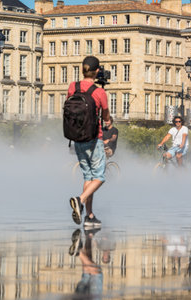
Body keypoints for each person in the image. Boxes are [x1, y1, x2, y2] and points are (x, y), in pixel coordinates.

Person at [68, 56, 110, 228]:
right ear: (97, 71)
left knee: (88, 176)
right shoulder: (99, 92)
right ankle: (80, 199)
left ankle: (89, 216)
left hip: (77, 137)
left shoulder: (73, 87)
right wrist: (108, 121)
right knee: (99, 177)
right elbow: (106, 116)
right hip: (94, 139)